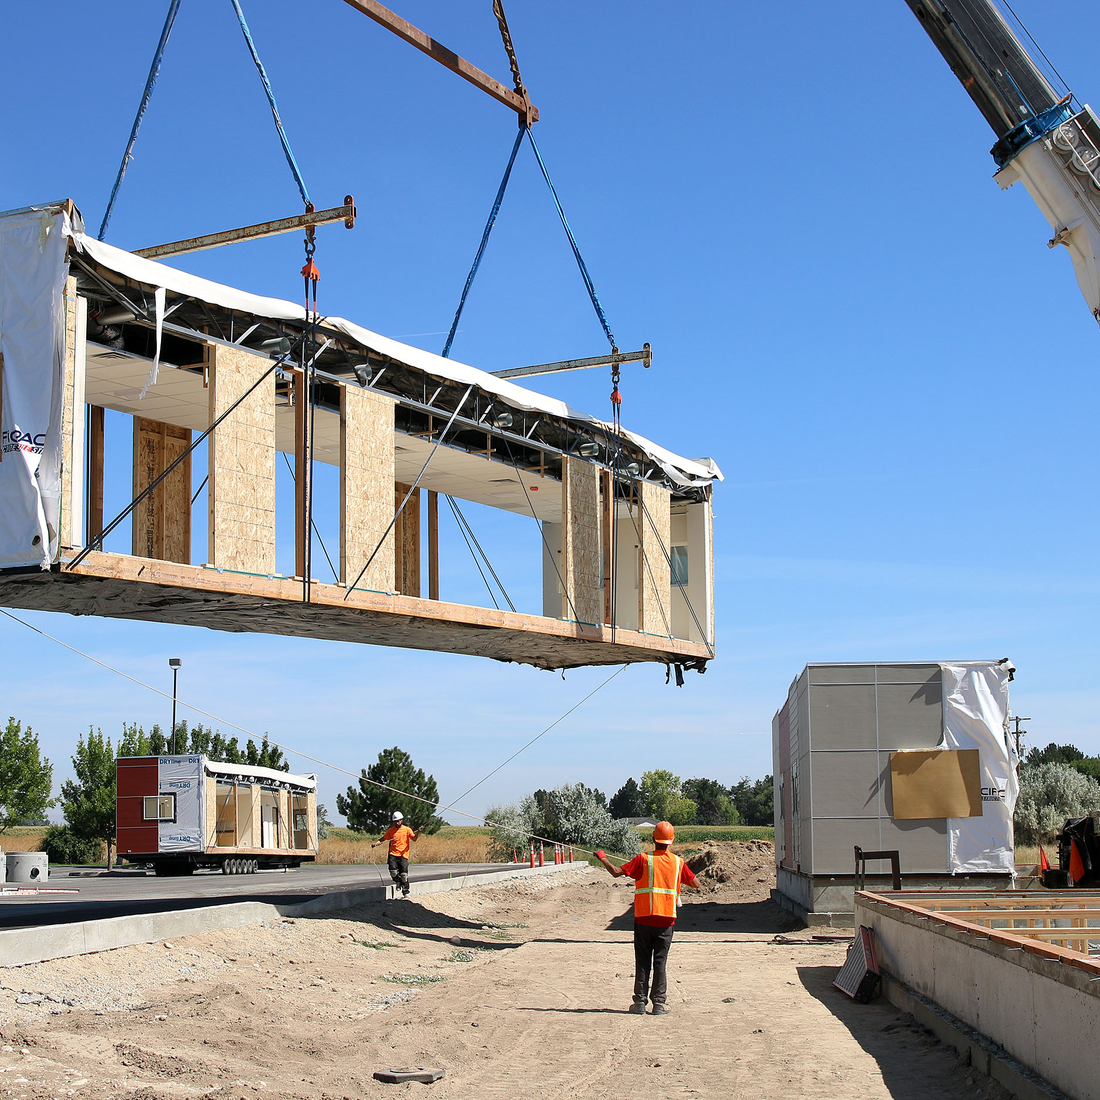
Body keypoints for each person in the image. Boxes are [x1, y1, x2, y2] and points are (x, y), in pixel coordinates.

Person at [596, 820, 700, 1015]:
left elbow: (616, 872)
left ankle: (640, 1002)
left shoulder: (643, 859)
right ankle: (659, 1003)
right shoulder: (678, 863)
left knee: (642, 961)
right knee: (660, 962)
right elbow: (696, 883)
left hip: (644, 918)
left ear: (653, 838)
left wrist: (602, 858)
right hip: (666, 920)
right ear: (672, 840)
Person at [371, 810, 422, 897]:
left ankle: (405, 891)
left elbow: (414, 839)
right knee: (393, 872)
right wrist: (376, 844)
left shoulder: (407, 829)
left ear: (402, 820)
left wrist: (418, 832)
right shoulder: (391, 831)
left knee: (404, 875)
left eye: (399, 820)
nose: (397, 822)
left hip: (403, 855)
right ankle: (398, 882)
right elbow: (383, 839)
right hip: (393, 854)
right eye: (396, 821)